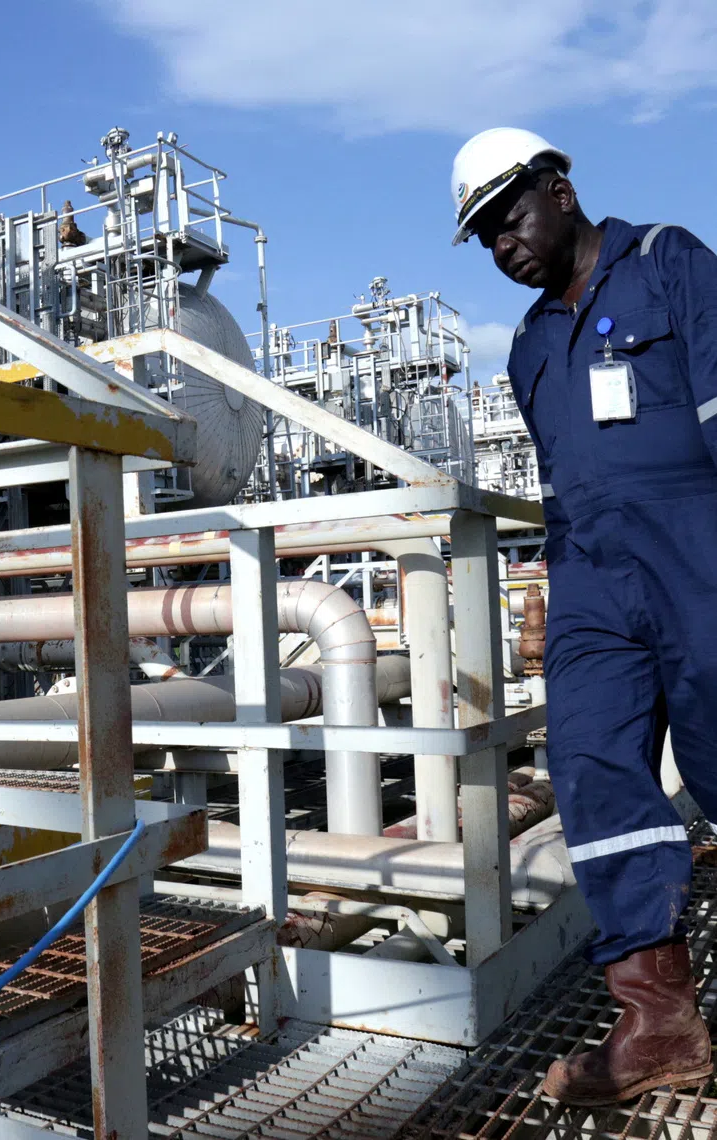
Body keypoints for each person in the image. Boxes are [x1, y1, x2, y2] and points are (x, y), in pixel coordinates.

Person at [451, 128, 717, 1106]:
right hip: (593, 582)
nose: (500, 246)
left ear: (560, 189)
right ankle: (659, 1020)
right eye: (482, 236)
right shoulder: (528, 346)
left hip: (700, 546)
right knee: (592, 761)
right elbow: (564, 487)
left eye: (507, 217)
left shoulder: (668, 263)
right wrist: (544, 592)